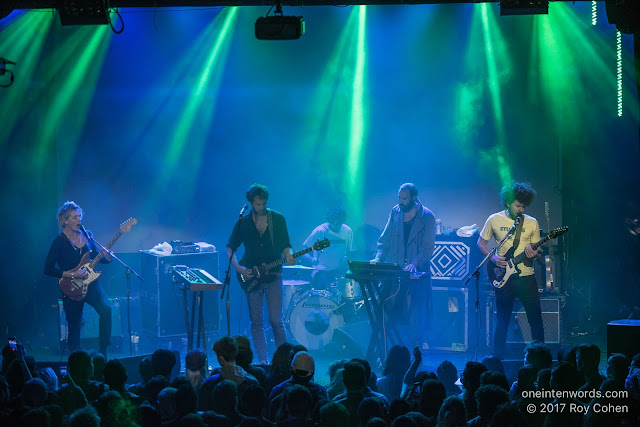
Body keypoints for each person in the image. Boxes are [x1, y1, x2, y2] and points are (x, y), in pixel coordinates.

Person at [227, 184, 295, 364]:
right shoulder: (244, 222)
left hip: (273, 275)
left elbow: (285, 244)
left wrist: (289, 255)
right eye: (258, 204)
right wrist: (239, 269)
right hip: (251, 276)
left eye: (264, 204)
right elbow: (230, 249)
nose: (262, 207)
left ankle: (284, 361)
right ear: (250, 203)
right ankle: (263, 362)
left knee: (276, 321)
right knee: (256, 323)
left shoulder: (278, 219)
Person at [477, 181, 544, 359]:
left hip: (526, 278)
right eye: (517, 205)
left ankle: (540, 357)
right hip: (504, 277)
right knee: (502, 320)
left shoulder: (532, 223)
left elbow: (538, 252)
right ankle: (496, 357)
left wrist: (534, 253)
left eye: (523, 205)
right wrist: (492, 258)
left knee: (535, 319)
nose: (520, 209)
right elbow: (481, 243)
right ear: (507, 202)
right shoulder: (494, 219)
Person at [44, 201, 112, 356]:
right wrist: (72, 274)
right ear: (65, 220)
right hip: (71, 286)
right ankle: (77, 361)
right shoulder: (59, 242)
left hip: (91, 283)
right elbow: (48, 269)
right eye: (74, 217)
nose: (79, 220)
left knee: (106, 309)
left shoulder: (87, 235)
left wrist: (106, 258)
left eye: (80, 216)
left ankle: (103, 352)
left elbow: (94, 256)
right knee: (74, 325)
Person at [372, 183, 436, 349]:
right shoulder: (395, 212)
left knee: (415, 315)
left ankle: (416, 353)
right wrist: (378, 259)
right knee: (383, 307)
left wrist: (414, 263)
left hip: (416, 274)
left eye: (404, 198)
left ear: (414, 198)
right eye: (399, 198)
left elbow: (427, 248)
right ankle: (383, 351)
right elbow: (384, 240)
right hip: (395, 270)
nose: (401, 202)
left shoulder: (427, 216)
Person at [303, 206, 353, 288]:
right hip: (321, 271)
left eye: (338, 223)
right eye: (333, 223)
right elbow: (305, 248)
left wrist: (345, 260)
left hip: (339, 272)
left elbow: (349, 252)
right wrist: (312, 260)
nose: (335, 225)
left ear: (343, 220)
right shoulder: (320, 231)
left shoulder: (347, 231)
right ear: (329, 220)